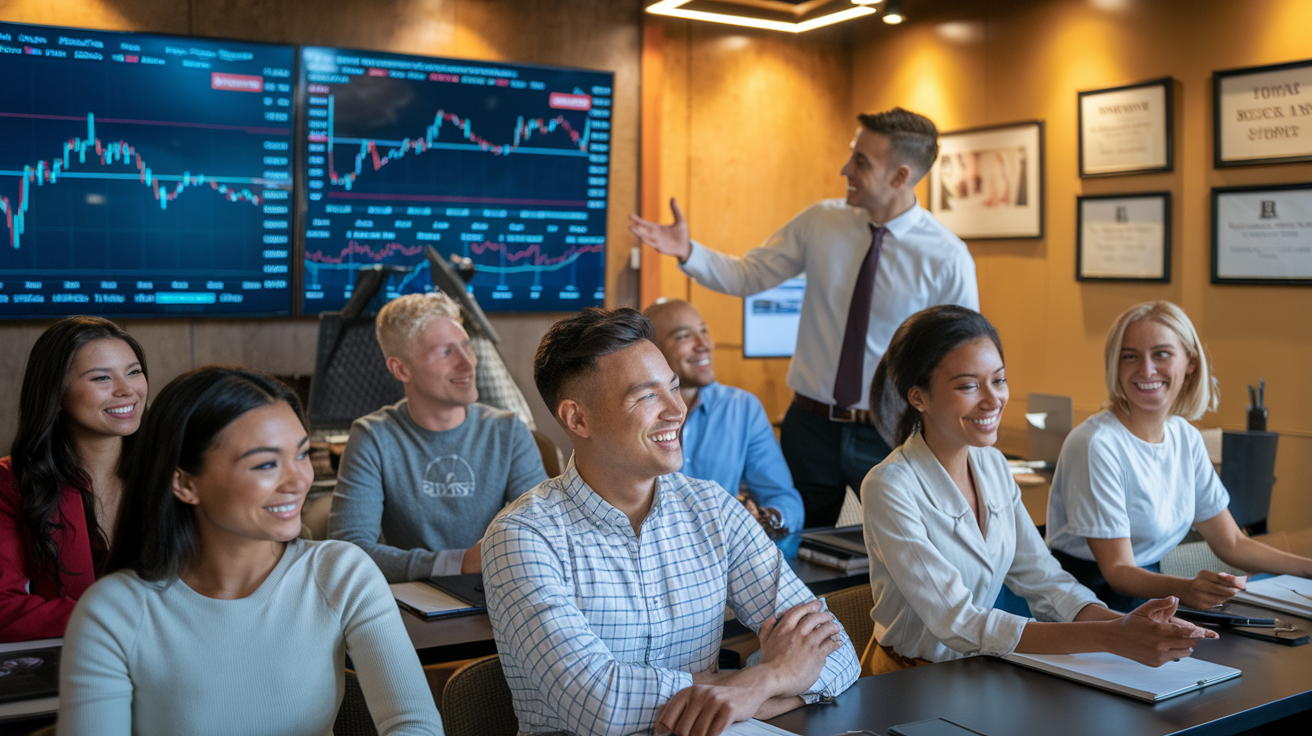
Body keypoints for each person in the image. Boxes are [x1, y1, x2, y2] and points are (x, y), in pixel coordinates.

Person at [483, 308, 859, 736]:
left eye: (674, 388)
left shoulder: (712, 507)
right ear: (577, 419)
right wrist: (769, 679)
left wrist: (753, 691)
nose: (676, 410)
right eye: (646, 396)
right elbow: (600, 705)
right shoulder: (522, 535)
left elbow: (838, 653)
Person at [630, 107, 979, 528]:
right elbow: (749, 274)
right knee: (798, 546)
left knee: (901, 553)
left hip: (889, 432)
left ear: (900, 177)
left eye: (861, 162)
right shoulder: (821, 222)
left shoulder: (947, 256)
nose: (844, 168)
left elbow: (962, 360)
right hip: (809, 429)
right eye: (852, 154)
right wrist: (689, 252)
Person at [58, 367, 442, 736]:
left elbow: (415, 725)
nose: (297, 480)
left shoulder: (341, 573)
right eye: (266, 464)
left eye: (302, 454)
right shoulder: (112, 611)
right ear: (184, 482)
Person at [860, 305, 1214, 675]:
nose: (993, 399)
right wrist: (1110, 636)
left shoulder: (992, 464)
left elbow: (1043, 579)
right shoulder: (889, 487)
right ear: (918, 398)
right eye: (968, 386)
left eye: (998, 380)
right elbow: (958, 621)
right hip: (909, 681)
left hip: (977, 672)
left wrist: (1127, 625)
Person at [1046, 301, 1312, 611]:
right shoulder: (1096, 444)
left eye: (1161, 354)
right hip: (1084, 601)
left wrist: (1307, 568)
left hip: (1147, 590)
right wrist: (1188, 589)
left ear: (1190, 363)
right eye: (1130, 356)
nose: (1146, 370)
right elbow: (1117, 571)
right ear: (1115, 366)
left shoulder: (1185, 437)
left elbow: (1232, 543)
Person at [329, 292, 547, 583]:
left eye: (466, 346)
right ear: (400, 369)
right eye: (446, 352)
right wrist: (457, 563)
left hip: (495, 595)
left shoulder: (508, 431)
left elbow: (542, 535)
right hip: (413, 606)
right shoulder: (373, 436)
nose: (468, 363)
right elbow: (348, 553)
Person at [0, 316, 147, 642]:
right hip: (71, 666)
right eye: (101, 378)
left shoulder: (171, 472)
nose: (127, 391)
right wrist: (122, 619)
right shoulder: (10, 483)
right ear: (57, 394)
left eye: (134, 372)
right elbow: (4, 609)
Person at [644, 298, 805, 541]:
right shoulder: (634, 411)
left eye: (704, 331)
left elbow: (784, 499)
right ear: (651, 349)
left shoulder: (743, 408)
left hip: (723, 553)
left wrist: (765, 519)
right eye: (684, 336)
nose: (704, 345)